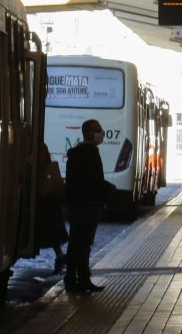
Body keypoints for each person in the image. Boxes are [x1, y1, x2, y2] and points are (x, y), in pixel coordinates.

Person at [63, 119, 115, 293]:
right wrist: (110, 190)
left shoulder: (74, 153)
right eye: (98, 130)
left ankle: (71, 277)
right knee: (84, 243)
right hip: (89, 205)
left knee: (75, 241)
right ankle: (83, 278)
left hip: (76, 205)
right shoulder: (91, 153)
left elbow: (72, 182)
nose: (101, 133)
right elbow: (95, 180)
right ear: (90, 133)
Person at [36, 143, 68, 273]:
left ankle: (60, 256)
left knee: (52, 231)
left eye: (42, 153)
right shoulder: (34, 167)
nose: (40, 157)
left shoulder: (52, 167)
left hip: (50, 205)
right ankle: (59, 256)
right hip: (42, 205)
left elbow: (58, 185)